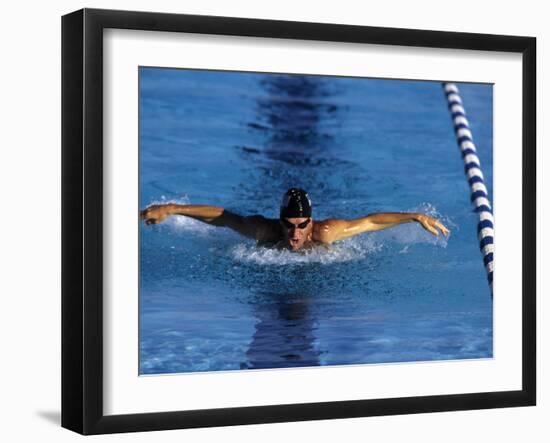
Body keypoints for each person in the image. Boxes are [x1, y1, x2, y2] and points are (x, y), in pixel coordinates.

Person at [140, 188, 450, 251]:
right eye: (290, 225)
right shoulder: (265, 230)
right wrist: (171, 208)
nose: (295, 233)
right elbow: (223, 217)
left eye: (303, 225)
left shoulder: (326, 233)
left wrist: (414, 216)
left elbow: (370, 222)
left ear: (311, 223)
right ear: (280, 221)